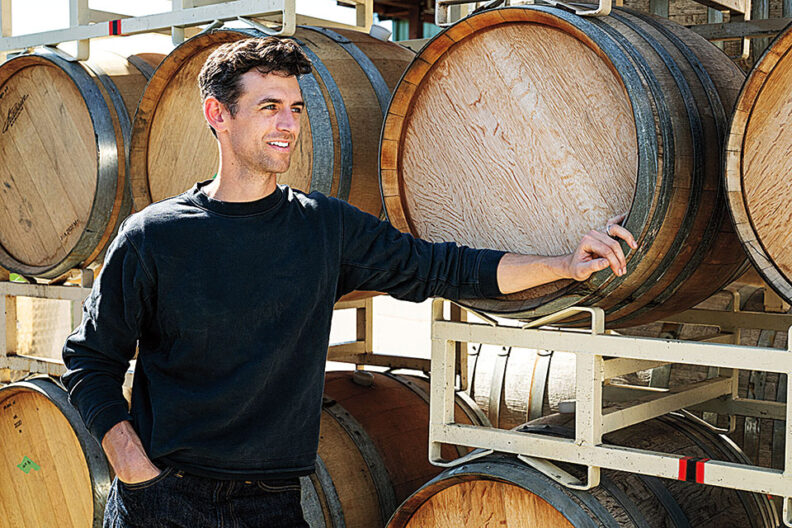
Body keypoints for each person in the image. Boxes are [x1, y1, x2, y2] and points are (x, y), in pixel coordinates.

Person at [62, 37, 637, 528]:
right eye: (268, 107)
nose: (289, 124)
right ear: (218, 115)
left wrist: (563, 263)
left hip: (274, 504)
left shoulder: (324, 228)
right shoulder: (154, 237)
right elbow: (91, 361)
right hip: (164, 499)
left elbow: (444, 266)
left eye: (295, 107)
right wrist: (136, 471)